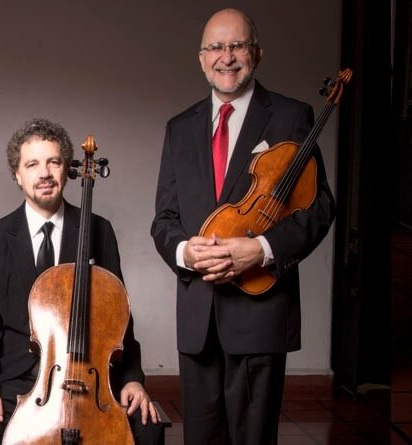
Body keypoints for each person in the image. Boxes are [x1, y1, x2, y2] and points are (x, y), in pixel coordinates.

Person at [150, 8, 336, 445]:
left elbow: (319, 208)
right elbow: (164, 220)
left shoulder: (292, 116)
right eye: (216, 47)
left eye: (237, 45)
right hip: (198, 317)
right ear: (201, 58)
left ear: (257, 53)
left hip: (260, 311)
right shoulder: (179, 127)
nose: (227, 57)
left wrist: (263, 250)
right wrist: (184, 253)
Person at [0, 118, 164, 444]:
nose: (44, 173)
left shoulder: (99, 231)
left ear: (67, 169)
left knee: (147, 429)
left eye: (53, 162)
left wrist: (132, 380)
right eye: (32, 164)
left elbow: (119, 320)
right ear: (17, 174)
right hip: (17, 383)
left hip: (92, 381)